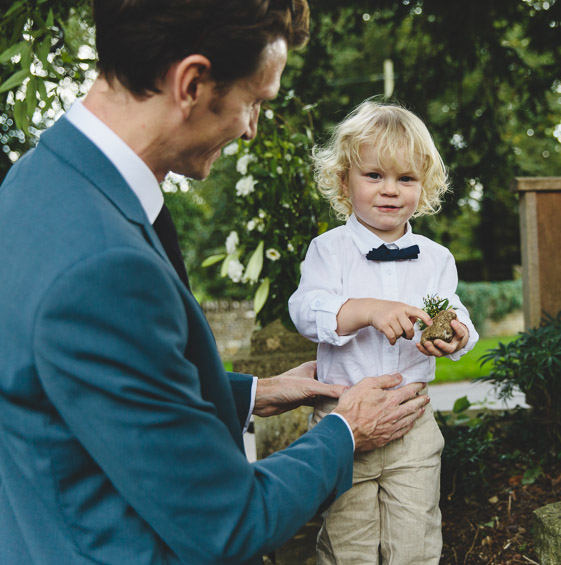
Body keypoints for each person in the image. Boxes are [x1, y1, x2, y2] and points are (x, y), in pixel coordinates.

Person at [0, 1, 430, 563]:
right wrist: (344, 432)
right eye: (253, 101)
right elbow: (226, 523)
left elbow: (94, 386)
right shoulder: (103, 265)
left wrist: (256, 392)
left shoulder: (37, 181)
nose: (251, 128)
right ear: (193, 83)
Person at [288, 100, 480, 564]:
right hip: (345, 419)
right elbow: (306, 309)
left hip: (413, 423)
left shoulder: (435, 259)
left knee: (415, 546)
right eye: (374, 175)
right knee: (348, 548)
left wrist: (453, 334)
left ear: (424, 185)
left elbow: (451, 313)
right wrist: (367, 309)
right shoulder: (329, 251)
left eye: (406, 178)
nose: (390, 190)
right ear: (344, 181)